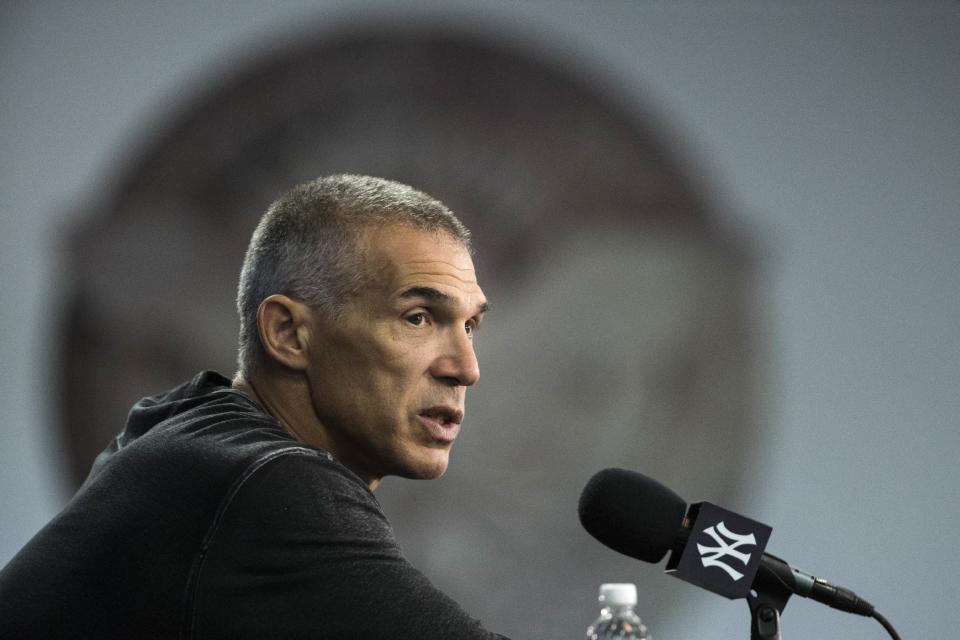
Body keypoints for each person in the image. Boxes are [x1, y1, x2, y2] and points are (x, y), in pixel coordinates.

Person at [0, 175, 506, 639]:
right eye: (418, 318)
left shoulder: (188, 434)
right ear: (287, 333)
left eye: (469, 326)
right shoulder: (264, 484)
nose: (466, 368)